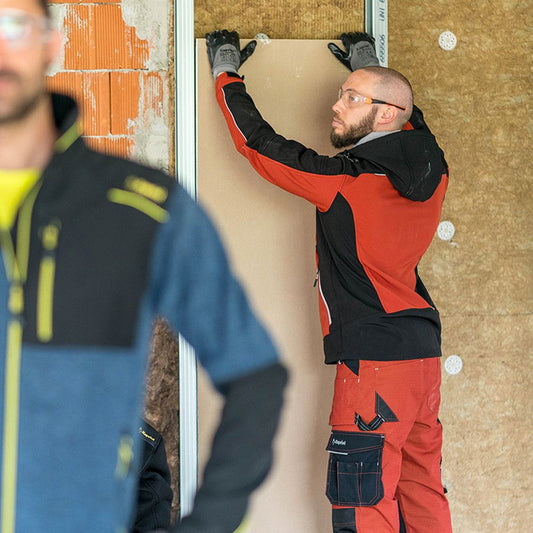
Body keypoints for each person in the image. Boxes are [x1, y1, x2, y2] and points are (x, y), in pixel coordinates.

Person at [0, 1, 288, 531]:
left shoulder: (140, 208)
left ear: (51, 44)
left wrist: (213, 522)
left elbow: (254, 374)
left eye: (12, 25)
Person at [206, 29, 453, 533]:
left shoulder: (345, 182)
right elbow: (412, 114)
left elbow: (259, 145)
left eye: (351, 98)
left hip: (375, 366)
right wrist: (368, 64)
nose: (336, 106)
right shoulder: (435, 166)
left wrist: (225, 73)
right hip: (422, 359)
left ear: (385, 115)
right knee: (422, 491)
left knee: (363, 504)